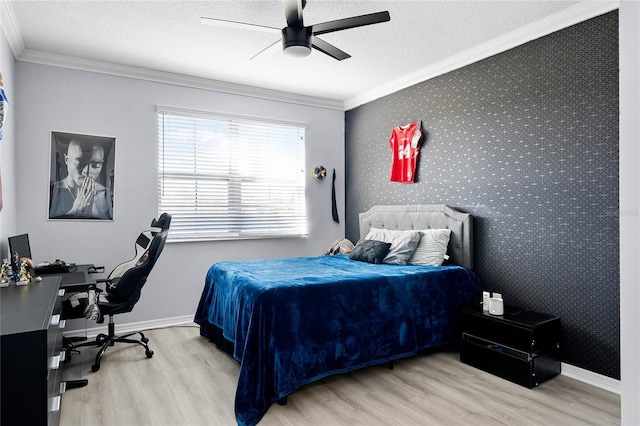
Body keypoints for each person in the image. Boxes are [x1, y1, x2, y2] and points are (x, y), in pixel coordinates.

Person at [49, 139, 113, 219]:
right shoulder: (53, 191)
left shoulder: (106, 194)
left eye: (95, 165)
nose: (86, 171)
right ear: (66, 160)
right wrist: (76, 209)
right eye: (79, 163)